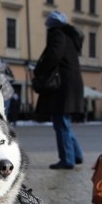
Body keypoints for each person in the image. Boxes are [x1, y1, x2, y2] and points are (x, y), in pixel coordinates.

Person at [33, 11, 85, 170]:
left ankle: (67, 159)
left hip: (62, 87)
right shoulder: (69, 36)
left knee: (61, 123)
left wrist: (40, 70)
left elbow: (53, 56)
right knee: (64, 123)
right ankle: (76, 154)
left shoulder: (57, 34)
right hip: (71, 85)